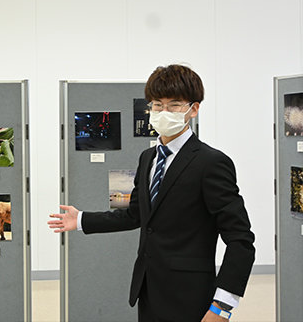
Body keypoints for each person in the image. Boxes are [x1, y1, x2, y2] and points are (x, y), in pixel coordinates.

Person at [48, 65, 255, 322]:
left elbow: (241, 240)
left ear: (194, 109)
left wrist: (222, 306)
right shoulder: (148, 158)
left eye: (174, 105)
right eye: (157, 105)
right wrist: (81, 220)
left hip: (191, 298)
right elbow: (136, 215)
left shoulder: (211, 163)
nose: (164, 112)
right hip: (148, 290)